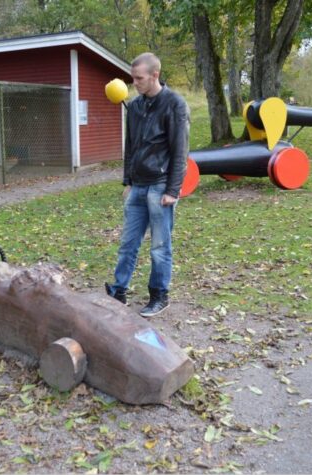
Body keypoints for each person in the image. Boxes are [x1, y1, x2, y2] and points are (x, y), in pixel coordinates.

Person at [105, 52, 190, 318]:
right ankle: (118, 290)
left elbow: (180, 152)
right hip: (138, 186)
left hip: (160, 186)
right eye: (132, 78)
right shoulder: (135, 105)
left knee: (159, 246)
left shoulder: (174, 104)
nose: (134, 83)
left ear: (155, 75)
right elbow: (130, 146)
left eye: (139, 78)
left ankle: (159, 295)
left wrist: (172, 191)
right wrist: (127, 181)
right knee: (128, 243)